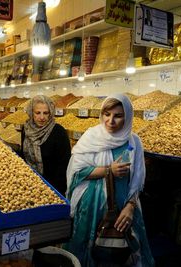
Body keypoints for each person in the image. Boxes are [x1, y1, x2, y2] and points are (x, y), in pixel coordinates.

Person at [63, 94, 154, 267]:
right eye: (107, 114)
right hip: (90, 208)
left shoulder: (134, 141)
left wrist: (130, 207)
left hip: (123, 209)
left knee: (119, 253)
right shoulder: (91, 137)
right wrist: (108, 170)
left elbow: (137, 179)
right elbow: (77, 172)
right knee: (88, 252)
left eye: (118, 116)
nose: (110, 121)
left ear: (127, 117)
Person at [21, 95, 71, 195]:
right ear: (31, 113)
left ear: (51, 113)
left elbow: (64, 165)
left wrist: (54, 192)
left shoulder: (58, 132)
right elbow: (24, 156)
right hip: (29, 185)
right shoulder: (26, 129)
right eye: (38, 113)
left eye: (46, 113)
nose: (42, 117)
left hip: (52, 188)